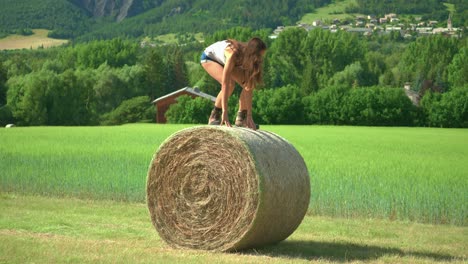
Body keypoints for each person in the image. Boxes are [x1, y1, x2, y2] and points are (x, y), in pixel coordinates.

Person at [200, 37, 267, 130]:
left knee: (249, 85)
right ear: (253, 54)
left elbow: (248, 87)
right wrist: (225, 112)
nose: (261, 59)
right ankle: (215, 114)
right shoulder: (233, 54)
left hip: (228, 61)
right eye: (259, 56)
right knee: (230, 84)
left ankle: (241, 118)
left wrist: (249, 115)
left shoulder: (249, 59)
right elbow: (225, 84)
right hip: (210, 58)